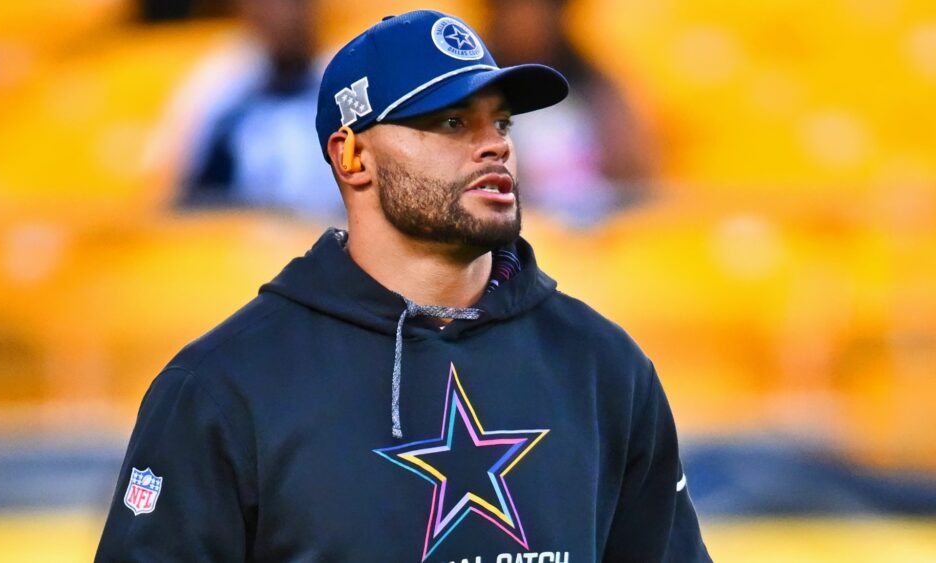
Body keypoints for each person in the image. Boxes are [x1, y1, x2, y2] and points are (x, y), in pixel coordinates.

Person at [96, 10, 711, 562]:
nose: (494, 144)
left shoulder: (604, 366)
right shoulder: (221, 388)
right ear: (352, 157)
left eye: (501, 121)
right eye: (450, 121)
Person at [485, 0, 657, 226]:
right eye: (515, 12)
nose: (527, 26)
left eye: (539, 12)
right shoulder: (480, 92)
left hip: (600, 225)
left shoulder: (597, 88)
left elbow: (635, 171)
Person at [176, 0, 343, 218]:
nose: (283, 15)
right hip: (235, 238)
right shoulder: (218, 84)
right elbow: (181, 190)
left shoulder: (344, 79)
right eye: (266, 4)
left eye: (294, 4)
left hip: (329, 230)